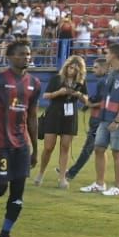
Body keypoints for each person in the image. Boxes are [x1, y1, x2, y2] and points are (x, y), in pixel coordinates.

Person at [0, 39, 42, 237]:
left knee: (18, 193)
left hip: (21, 145)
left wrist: (34, 148)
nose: (27, 57)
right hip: (2, 143)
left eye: (28, 53)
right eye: (22, 54)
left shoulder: (34, 83)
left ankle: (4, 235)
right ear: (11, 57)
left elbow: (32, 116)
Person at [79, 43, 119, 197]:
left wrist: (117, 120)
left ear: (114, 55)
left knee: (117, 151)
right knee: (99, 148)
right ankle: (99, 183)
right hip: (105, 117)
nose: (105, 55)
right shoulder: (112, 73)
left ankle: (118, 186)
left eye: (107, 53)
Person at [35, 55, 87, 188]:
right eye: (70, 67)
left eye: (75, 69)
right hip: (54, 114)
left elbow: (86, 100)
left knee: (65, 147)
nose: (72, 70)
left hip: (70, 116)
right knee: (48, 147)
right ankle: (41, 173)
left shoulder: (81, 82)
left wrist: (79, 95)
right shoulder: (57, 79)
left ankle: (62, 177)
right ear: (66, 67)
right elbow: (46, 95)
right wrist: (58, 92)